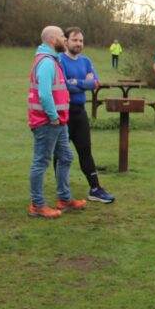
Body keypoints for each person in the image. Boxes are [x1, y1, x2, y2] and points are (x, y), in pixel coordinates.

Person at [26, 26, 87, 219]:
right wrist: (53, 117)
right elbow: (44, 94)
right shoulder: (46, 62)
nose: (65, 40)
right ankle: (37, 205)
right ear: (53, 39)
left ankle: (65, 199)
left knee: (66, 157)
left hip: (58, 122)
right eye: (62, 37)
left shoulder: (53, 60)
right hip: (48, 122)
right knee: (41, 162)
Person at [59, 27, 115, 203]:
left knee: (85, 151)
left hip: (80, 113)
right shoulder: (59, 60)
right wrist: (85, 83)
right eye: (75, 40)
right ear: (66, 41)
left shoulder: (86, 61)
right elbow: (65, 86)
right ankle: (63, 192)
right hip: (64, 113)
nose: (78, 43)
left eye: (81, 40)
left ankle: (95, 189)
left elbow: (96, 83)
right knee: (61, 154)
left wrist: (77, 82)